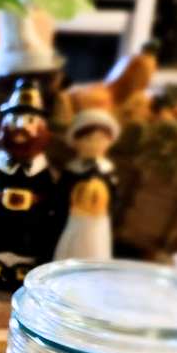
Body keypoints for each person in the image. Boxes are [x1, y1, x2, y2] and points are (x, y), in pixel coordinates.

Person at [0, 81, 61, 290]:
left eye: (29, 120)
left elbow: (50, 193)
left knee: (28, 237)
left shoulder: (42, 169)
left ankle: (22, 265)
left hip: (30, 217)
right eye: (14, 120)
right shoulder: (0, 163)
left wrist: (47, 207)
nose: (20, 128)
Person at [53, 109, 119, 262]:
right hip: (75, 219)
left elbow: (114, 196)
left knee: (97, 246)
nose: (95, 144)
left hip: (99, 220)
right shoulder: (72, 169)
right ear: (76, 141)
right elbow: (61, 194)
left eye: (102, 139)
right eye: (89, 139)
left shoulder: (107, 170)